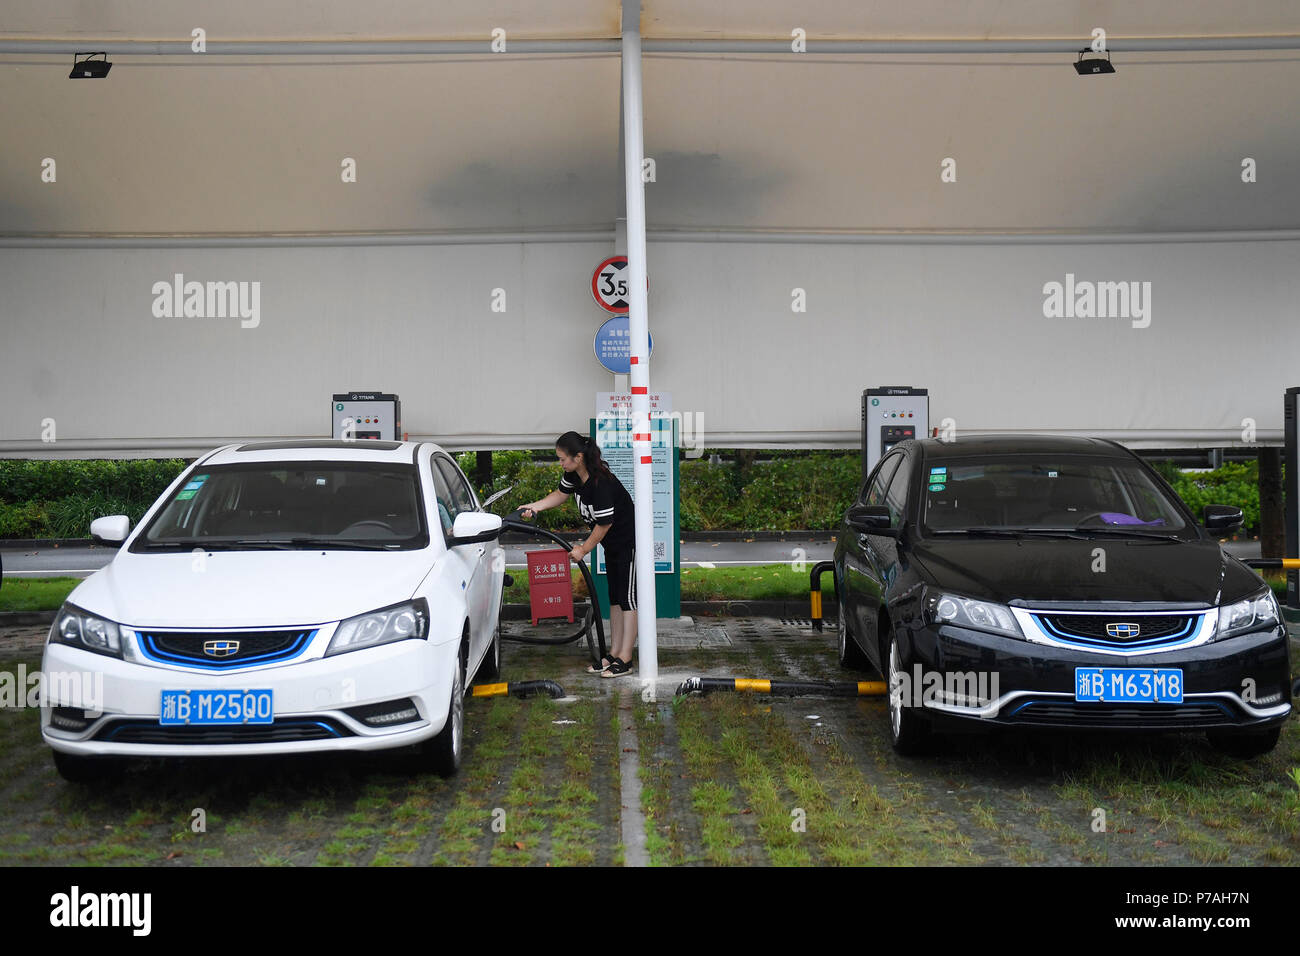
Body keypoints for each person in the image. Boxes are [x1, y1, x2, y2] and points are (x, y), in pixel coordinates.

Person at [521, 432, 637, 677]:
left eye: (563, 459)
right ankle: (614, 654)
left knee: (627, 599)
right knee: (615, 598)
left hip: (628, 543)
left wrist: (583, 549)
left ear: (579, 457)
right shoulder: (575, 476)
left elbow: (604, 524)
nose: (561, 463)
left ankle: (625, 658)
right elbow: (560, 495)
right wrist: (535, 506)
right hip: (611, 545)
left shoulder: (601, 483)